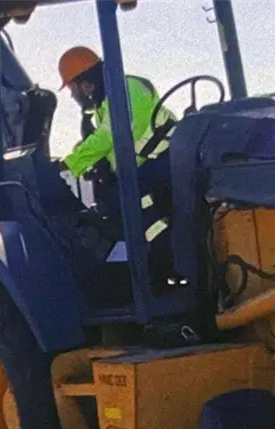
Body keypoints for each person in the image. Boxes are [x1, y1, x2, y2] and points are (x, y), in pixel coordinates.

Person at [53, 46, 181, 293]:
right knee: (111, 203)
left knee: (121, 204)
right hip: (152, 166)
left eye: (72, 88)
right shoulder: (108, 101)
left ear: (86, 85)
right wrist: (100, 166)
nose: (73, 96)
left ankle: (158, 269)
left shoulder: (125, 90)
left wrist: (69, 165)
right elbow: (112, 145)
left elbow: (109, 136)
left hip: (165, 163)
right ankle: (150, 269)